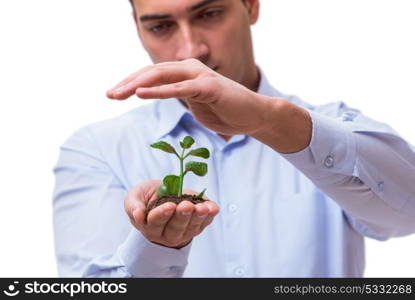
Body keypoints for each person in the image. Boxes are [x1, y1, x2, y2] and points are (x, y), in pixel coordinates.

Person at [52, 0, 415, 277]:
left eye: (209, 14)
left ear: (251, 5)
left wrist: (272, 122)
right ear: (137, 29)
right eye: (161, 26)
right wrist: (157, 246)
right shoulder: (97, 151)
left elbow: (407, 214)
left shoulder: (332, 127)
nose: (191, 50)